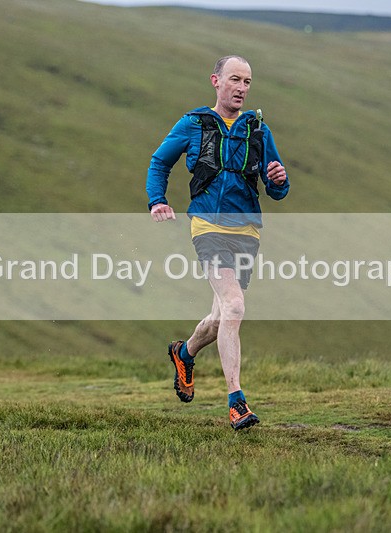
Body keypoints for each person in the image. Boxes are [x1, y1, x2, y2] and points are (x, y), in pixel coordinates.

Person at [146, 55, 289, 430]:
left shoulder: (259, 130)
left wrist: (278, 180)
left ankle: (184, 352)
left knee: (218, 317)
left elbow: (277, 189)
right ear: (216, 81)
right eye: (235, 80)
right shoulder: (193, 124)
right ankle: (236, 402)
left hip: (246, 231)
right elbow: (159, 163)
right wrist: (157, 200)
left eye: (247, 82)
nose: (242, 88)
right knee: (235, 306)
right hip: (207, 225)